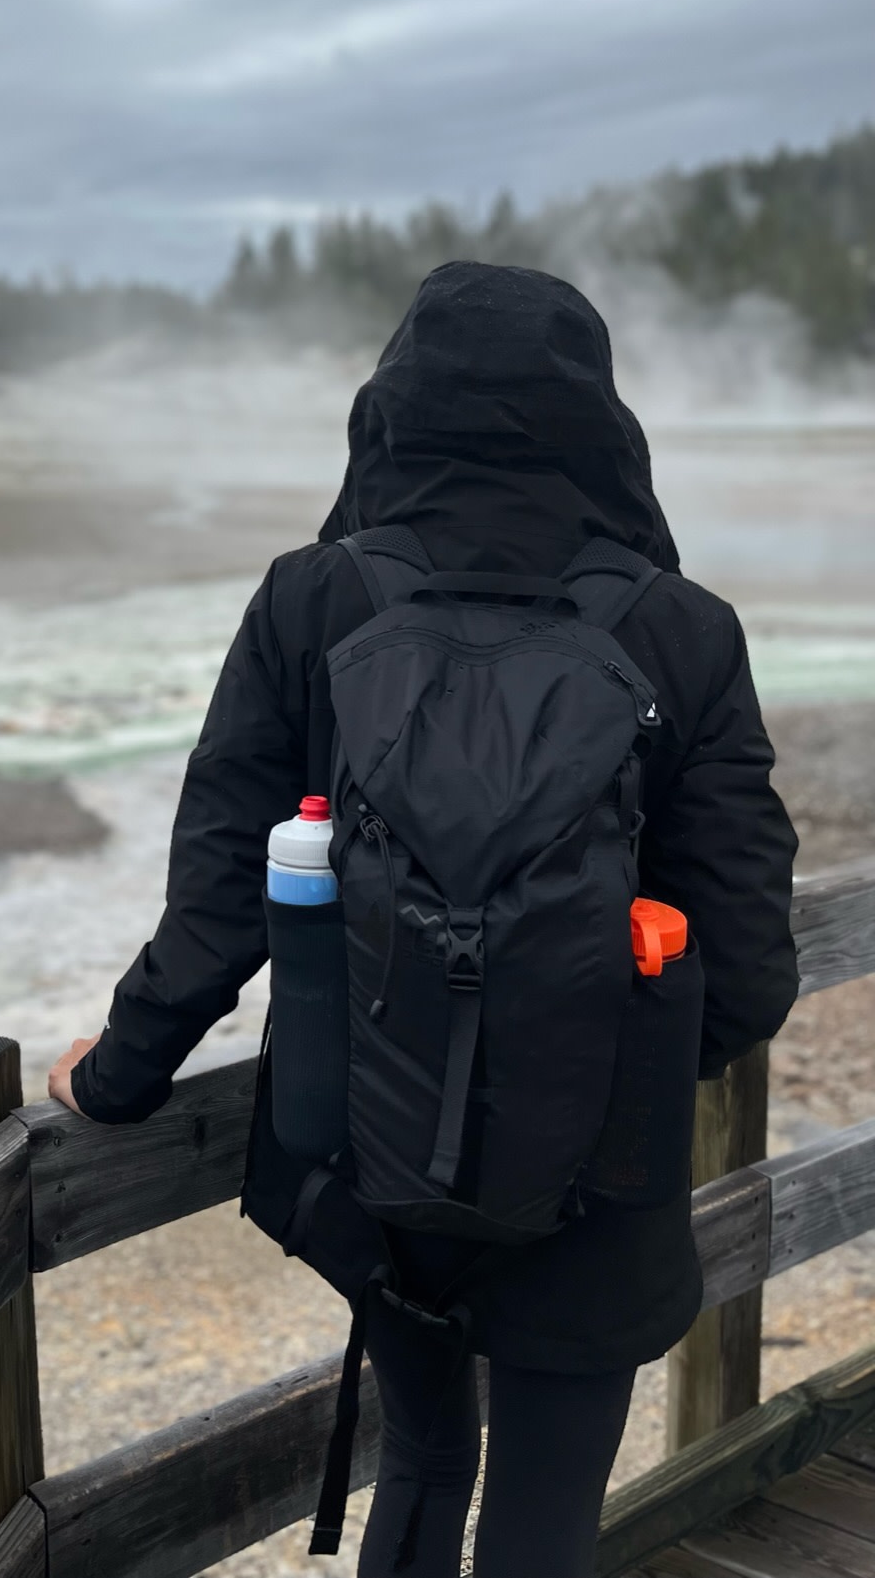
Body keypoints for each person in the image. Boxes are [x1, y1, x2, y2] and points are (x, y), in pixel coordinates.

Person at [48, 262, 799, 1578]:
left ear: (391, 407)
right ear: (602, 421)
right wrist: (578, 1071)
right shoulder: (685, 632)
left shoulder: (311, 599)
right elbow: (746, 965)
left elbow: (224, 895)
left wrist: (117, 1074)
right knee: (548, 1507)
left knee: (425, 1453)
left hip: (371, 1153)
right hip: (601, 1176)